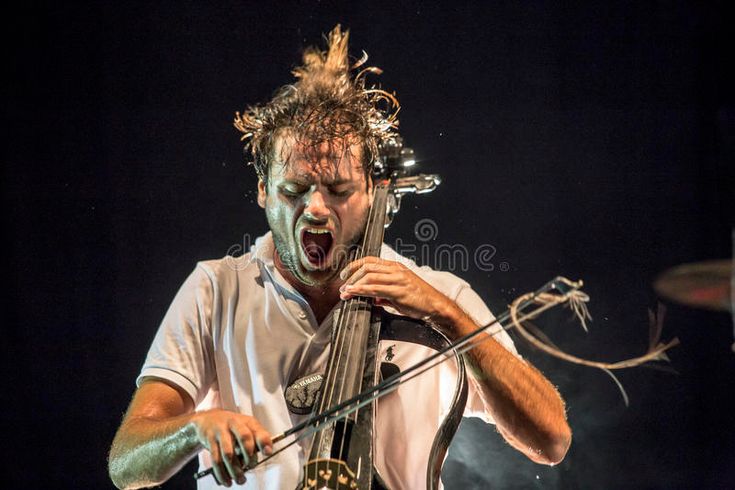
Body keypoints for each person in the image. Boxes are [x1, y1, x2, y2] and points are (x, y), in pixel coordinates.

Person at [108, 26, 571, 490]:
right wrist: (193, 429)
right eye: (293, 190)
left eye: (339, 190)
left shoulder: (441, 296)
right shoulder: (215, 289)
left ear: (372, 191)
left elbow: (550, 441)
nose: (314, 207)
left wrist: (448, 318)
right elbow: (126, 463)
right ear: (263, 192)